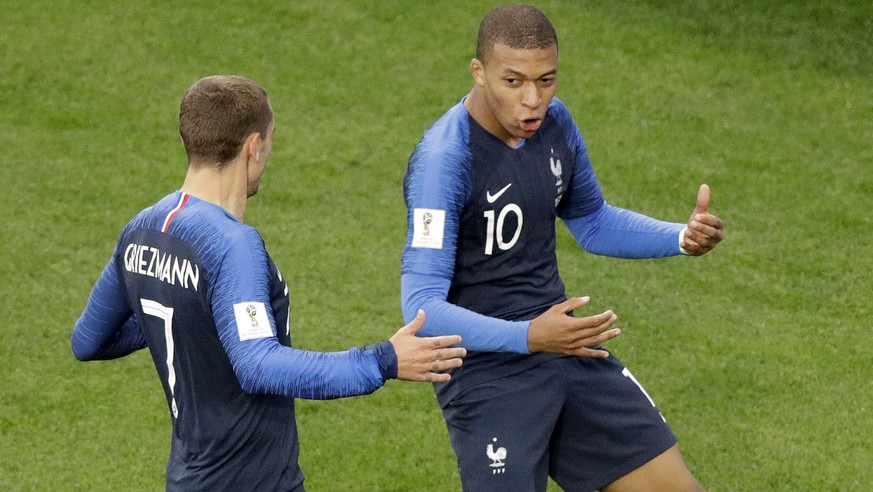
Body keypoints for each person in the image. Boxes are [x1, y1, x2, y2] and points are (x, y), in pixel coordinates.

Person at [71, 75, 466, 492]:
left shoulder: (142, 229)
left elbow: (88, 340)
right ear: (253, 146)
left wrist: (192, 314)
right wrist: (383, 360)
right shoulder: (231, 244)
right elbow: (258, 365)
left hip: (187, 480)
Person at [400, 4, 723, 491]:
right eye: (514, 82)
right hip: (488, 372)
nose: (533, 100)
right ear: (479, 73)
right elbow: (421, 306)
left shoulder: (556, 123)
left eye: (546, 80)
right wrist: (530, 336)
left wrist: (679, 237)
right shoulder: (445, 160)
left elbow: (592, 220)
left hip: (566, 347)